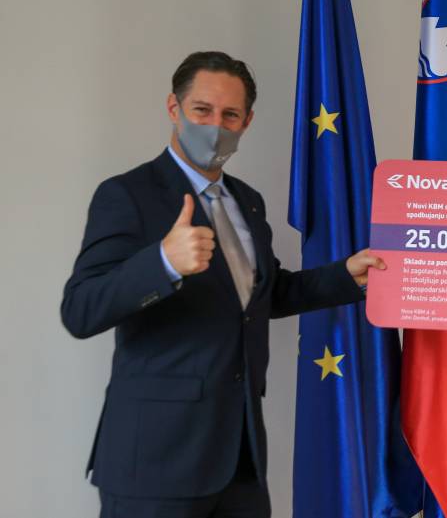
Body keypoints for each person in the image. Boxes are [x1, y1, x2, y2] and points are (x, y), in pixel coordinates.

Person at [61, 51, 385, 518]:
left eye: (230, 115)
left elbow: (262, 296)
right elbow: (80, 310)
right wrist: (162, 263)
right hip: (155, 463)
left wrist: (345, 276)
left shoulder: (247, 201)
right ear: (174, 108)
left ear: (246, 121)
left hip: (241, 460)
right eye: (202, 110)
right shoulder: (127, 195)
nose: (216, 126)